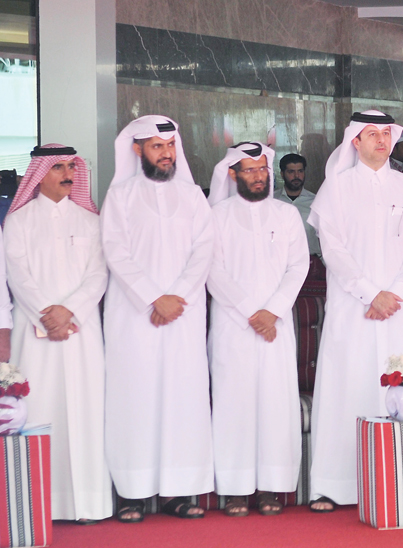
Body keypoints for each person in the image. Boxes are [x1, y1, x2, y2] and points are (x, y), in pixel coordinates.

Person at [306, 111, 403, 512]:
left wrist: (393, 293)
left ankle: (400, 483)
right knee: (348, 388)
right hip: (353, 309)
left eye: (386, 134)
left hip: (399, 308)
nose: (381, 140)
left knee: (401, 389)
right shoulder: (337, 188)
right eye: (371, 134)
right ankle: (334, 485)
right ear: (355, 142)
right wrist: (369, 294)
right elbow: (333, 250)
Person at [102, 115, 215, 522]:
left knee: (181, 399)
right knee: (135, 398)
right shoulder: (120, 196)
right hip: (134, 317)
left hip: (182, 315)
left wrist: (176, 297)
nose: (166, 154)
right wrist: (153, 298)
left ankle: (177, 490)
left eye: (170, 146)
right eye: (156, 146)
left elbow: (204, 250)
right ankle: (131, 492)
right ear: (137, 150)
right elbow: (115, 252)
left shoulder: (192, 195)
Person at [5, 144, 111, 523]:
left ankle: (85, 503)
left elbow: (99, 275)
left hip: (81, 333)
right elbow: (17, 276)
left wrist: (70, 312)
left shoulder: (91, 221)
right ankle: (37, 505)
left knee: (84, 412)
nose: (67, 174)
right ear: (39, 173)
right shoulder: (18, 222)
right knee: (39, 409)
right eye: (58, 168)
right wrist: (48, 316)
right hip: (35, 335)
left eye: (71, 167)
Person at [206, 143, 309, 517]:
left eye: (262, 169)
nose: (258, 176)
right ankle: (235, 489)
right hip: (234, 325)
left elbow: (298, 267)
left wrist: (273, 311)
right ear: (233, 174)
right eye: (249, 170)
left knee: (275, 405)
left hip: (276, 326)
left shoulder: (285, 215)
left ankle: (271, 487)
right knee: (235, 405)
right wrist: (253, 313)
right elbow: (212, 270)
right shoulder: (215, 215)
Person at [275, 153, 320, 257]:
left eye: (300, 171)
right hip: (280, 262)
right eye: (291, 172)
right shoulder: (273, 201)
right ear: (282, 174)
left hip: (311, 263)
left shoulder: (316, 202)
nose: (296, 176)